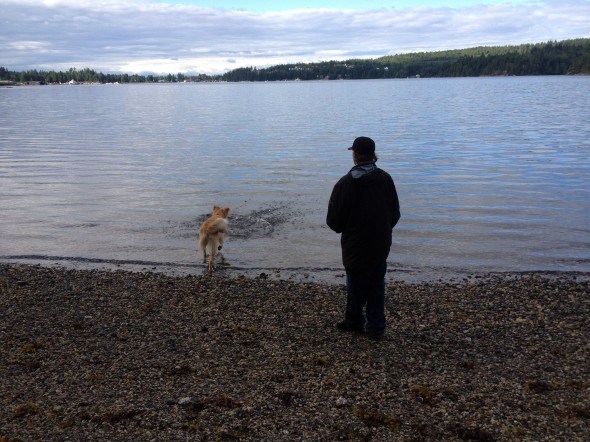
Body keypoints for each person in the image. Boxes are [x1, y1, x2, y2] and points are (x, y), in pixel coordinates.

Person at [326, 136, 400, 341]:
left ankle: (354, 321)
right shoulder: (385, 179)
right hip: (380, 243)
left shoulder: (345, 183)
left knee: (355, 284)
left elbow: (334, 222)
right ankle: (376, 328)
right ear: (373, 155)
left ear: (355, 156)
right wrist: (382, 230)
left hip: (355, 245)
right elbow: (395, 214)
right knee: (376, 283)